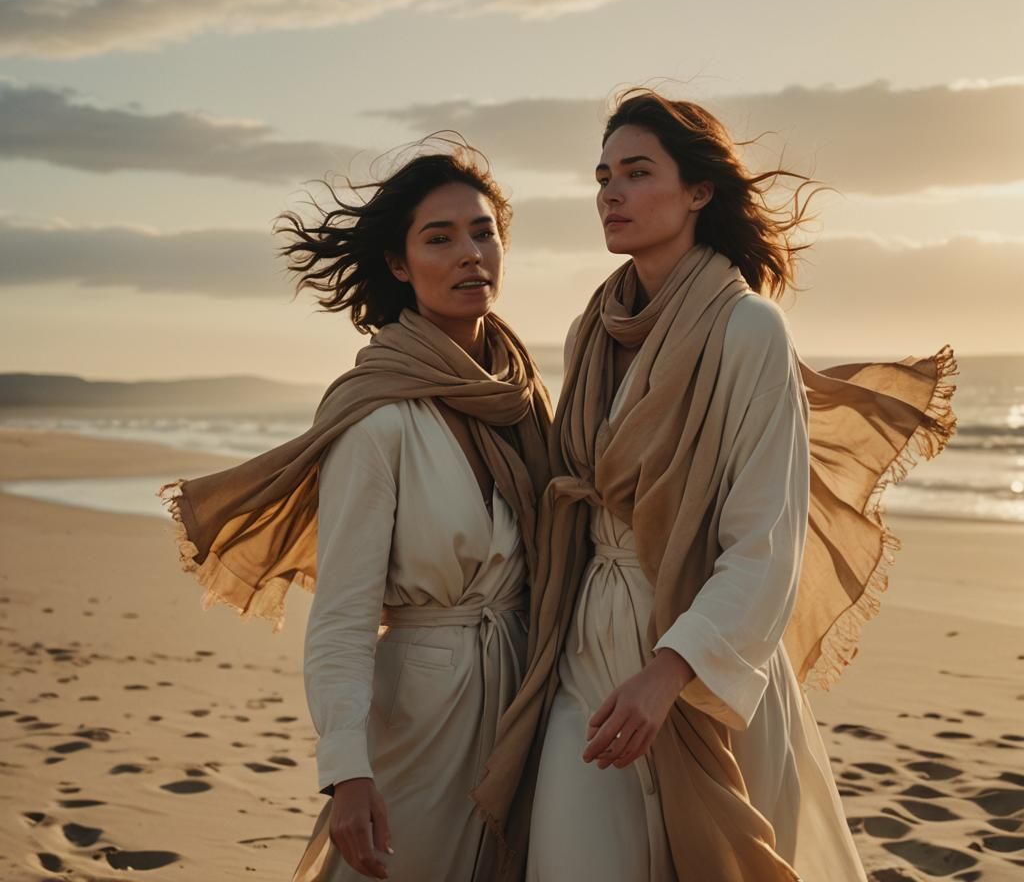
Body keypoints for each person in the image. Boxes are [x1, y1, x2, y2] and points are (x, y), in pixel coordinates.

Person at [473, 90, 957, 882]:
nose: (612, 194)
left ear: (699, 191)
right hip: (586, 647)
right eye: (602, 178)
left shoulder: (749, 330)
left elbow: (767, 541)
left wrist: (668, 674)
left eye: (636, 173)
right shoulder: (591, 331)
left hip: (696, 662)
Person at [159, 138, 551, 882]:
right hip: (421, 718)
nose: (471, 253)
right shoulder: (376, 421)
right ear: (399, 265)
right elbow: (341, 614)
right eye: (440, 238)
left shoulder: (525, 402)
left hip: (529, 698)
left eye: (483, 231)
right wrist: (347, 771)